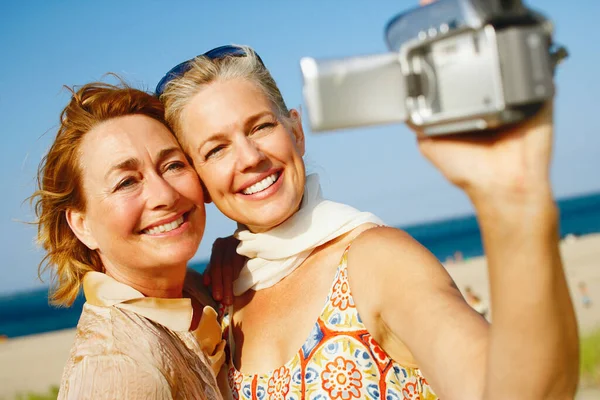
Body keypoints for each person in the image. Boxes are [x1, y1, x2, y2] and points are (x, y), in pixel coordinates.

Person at [30, 82, 225, 400]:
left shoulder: (199, 293)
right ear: (82, 226)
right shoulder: (118, 372)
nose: (164, 195)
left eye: (173, 165)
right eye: (126, 182)